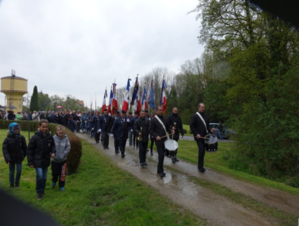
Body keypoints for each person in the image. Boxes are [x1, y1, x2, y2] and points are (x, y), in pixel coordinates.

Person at [27, 119, 56, 200]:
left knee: (44, 177)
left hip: (46, 160)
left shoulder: (49, 136)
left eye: (46, 127)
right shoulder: (35, 137)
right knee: (39, 176)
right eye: (43, 127)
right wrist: (30, 162)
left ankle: (42, 189)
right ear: (39, 126)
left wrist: (53, 152)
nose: (45, 128)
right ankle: (39, 192)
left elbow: (53, 146)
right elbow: (29, 150)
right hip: (37, 160)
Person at [190, 103, 215, 173]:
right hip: (198, 137)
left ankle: (201, 165)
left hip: (205, 137)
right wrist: (196, 134)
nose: (203, 108)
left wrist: (211, 130)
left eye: (204, 107)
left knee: (203, 151)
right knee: (201, 150)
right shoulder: (195, 116)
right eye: (202, 107)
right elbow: (192, 126)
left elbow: (207, 127)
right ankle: (200, 167)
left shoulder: (206, 116)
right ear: (198, 107)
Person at [149, 106, 174, 178]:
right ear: (156, 111)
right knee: (161, 155)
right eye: (159, 110)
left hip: (165, 140)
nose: (161, 111)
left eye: (161, 110)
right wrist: (156, 136)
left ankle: (158, 169)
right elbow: (151, 130)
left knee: (162, 155)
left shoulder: (165, 119)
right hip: (158, 140)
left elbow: (168, 127)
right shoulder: (153, 120)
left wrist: (171, 130)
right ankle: (161, 171)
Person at [2, 123, 27, 188]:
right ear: (11, 129)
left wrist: (23, 156)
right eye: (15, 129)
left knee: (19, 170)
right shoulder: (7, 140)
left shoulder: (21, 137)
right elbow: (5, 150)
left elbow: (25, 148)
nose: (17, 130)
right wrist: (7, 159)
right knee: (11, 171)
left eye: (18, 129)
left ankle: (17, 182)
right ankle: (11, 183)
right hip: (11, 159)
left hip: (19, 158)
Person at [51, 125, 71, 191]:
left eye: (62, 133)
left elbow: (68, 147)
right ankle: (54, 181)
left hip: (63, 160)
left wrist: (63, 154)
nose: (61, 135)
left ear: (64, 132)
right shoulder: (53, 138)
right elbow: (50, 147)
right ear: (57, 132)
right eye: (59, 133)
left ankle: (61, 186)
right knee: (55, 173)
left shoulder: (66, 138)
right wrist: (52, 153)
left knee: (62, 174)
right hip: (55, 160)